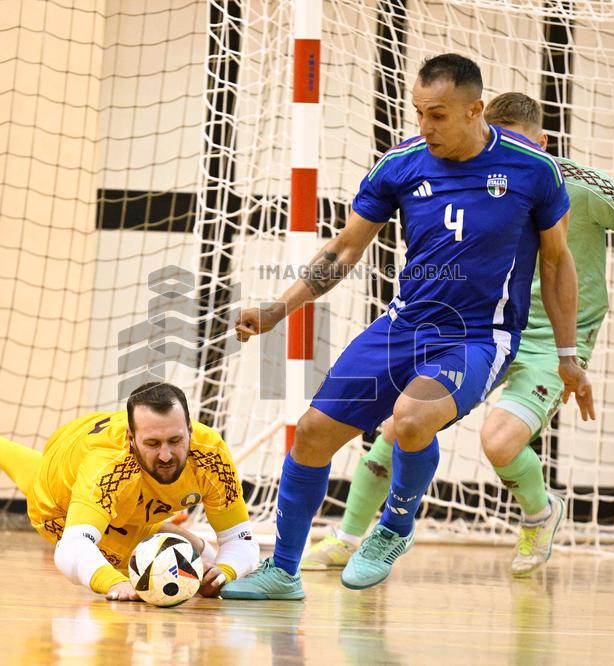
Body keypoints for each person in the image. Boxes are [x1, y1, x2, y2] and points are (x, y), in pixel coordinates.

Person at [221, 54, 594, 601]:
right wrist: (280, 307)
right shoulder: (400, 163)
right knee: (312, 435)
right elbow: (346, 248)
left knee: (411, 418)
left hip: (477, 335)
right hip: (404, 323)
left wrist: (566, 355)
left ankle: (393, 529)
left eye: (438, 115)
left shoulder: (531, 169)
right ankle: (282, 571)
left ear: (475, 110)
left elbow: (558, 264)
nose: (425, 127)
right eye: (419, 112)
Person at [302, 91, 614, 577]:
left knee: (499, 442)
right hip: (481, 326)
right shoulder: (469, 175)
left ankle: (540, 514)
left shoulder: (574, 182)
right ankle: (348, 538)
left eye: (521, 142)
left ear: (544, 141)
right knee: (401, 425)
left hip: (552, 336)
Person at [0, 382, 260, 600]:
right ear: (131, 439)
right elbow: (71, 550)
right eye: (153, 443)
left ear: (189, 427)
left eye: (175, 440)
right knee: (140, 562)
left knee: (143, 528)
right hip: (59, 505)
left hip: (90, 456)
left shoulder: (210, 453)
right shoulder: (106, 467)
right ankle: (199, 548)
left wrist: (226, 571)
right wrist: (113, 582)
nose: (167, 454)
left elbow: (242, 541)